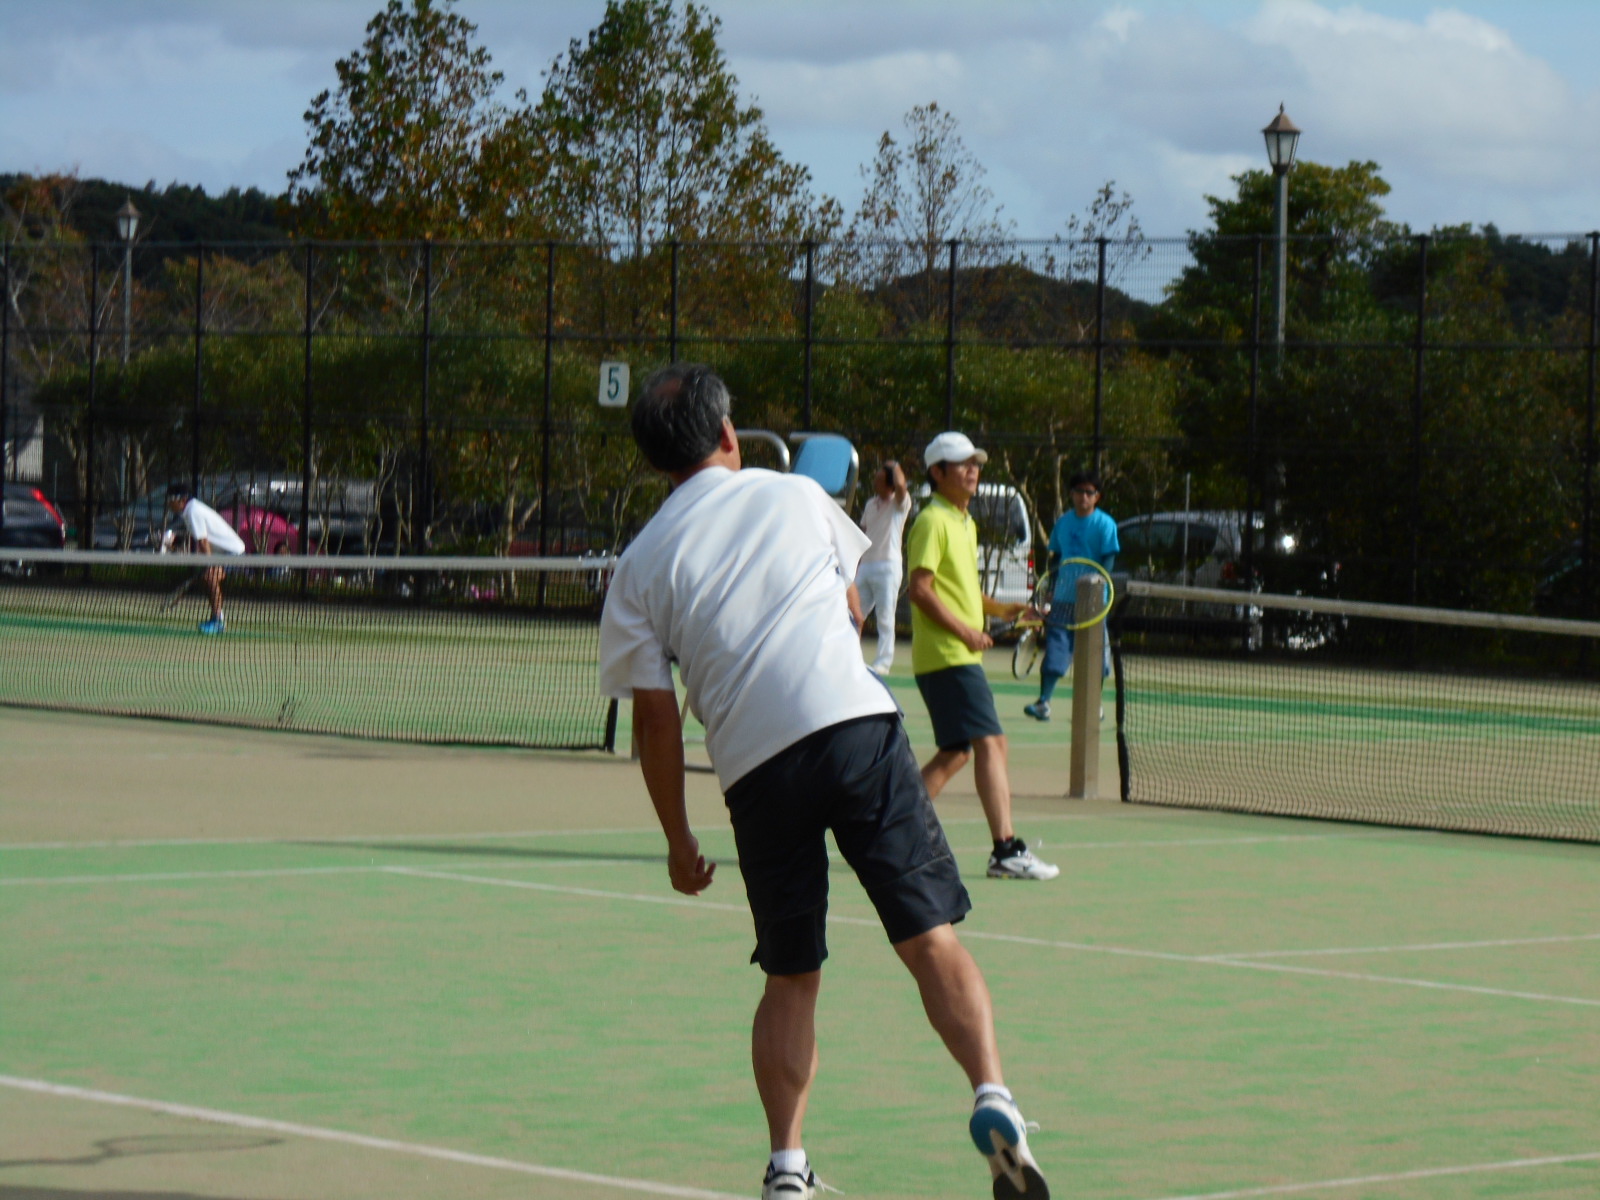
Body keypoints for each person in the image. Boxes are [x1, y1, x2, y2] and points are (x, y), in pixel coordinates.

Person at [600, 366, 1050, 1200]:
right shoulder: (796, 496)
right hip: (856, 728)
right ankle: (994, 1096)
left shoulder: (638, 567)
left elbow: (655, 725)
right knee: (928, 940)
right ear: (729, 436)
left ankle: (787, 1167)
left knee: (791, 973)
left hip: (755, 765)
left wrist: (677, 841)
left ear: (656, 465)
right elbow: (850, 611)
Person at [906, 433, 1060, 883]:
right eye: (962, 464)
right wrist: (966, 632)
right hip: (947, 654)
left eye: (975, 463)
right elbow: (920, 589)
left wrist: (1006, 610)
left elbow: (965, 590)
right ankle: (1005, 850)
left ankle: (894, 831)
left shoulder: (964, 522)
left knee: (955, 754)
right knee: (992, 743)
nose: (972, 470)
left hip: (952, 656)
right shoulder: (932, 521)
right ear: (938, 473)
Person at [1024, 471, 1119, 723]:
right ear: (1071, 494)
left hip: (1094, 602)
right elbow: (1055, 558)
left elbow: (1108, 560)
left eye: (1089, 492)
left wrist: (1098, 584)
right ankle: (1043, 703)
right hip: (1063, 600)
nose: (1083, 497)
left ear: (1097, 497)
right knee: (1056, 652)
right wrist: (1050, 591)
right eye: (1079, 491)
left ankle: (1094, 706)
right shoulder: (1063, 522)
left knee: (1095, 655)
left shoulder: (1105, 524)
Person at [164, 483, 245, 635]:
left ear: (181, 500)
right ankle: (217, 618)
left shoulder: (193, 511)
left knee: (210, 577)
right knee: (208, 579)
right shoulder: (190, 510)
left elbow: (203, 542)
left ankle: (218, 621)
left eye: (170, 499)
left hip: (234, 552)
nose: (168, 503)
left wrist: (209, 565)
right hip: (224, 553)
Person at [854, 459, 911, 675]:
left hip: (888, 567)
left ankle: (883, 663)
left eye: (879, 479)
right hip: (866, 566)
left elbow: (902, 486)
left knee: (885, 617)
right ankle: (850, 656)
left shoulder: (900, 504)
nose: (874, 482)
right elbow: (862, 532)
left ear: (889, 485)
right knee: (852, 613)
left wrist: (895, 465)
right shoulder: (870, 504)